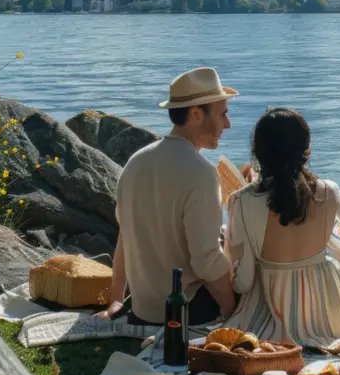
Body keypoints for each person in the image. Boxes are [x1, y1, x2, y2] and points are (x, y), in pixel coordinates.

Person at [222, 107, 340, 347]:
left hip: (272, 302)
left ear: (258, 151)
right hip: (328, 304)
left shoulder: (241, 200)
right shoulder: (329, 191)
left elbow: (243, 280)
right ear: (306, 149)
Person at [98, 67, 238, 325]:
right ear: (196, 114)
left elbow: (125, 236)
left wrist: (117, 300)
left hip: (143, 309)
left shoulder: (135, 162)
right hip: (187, 309)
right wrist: (233, 313)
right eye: (223, 114)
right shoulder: (201, 173)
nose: (228, 124)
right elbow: (206, 260)